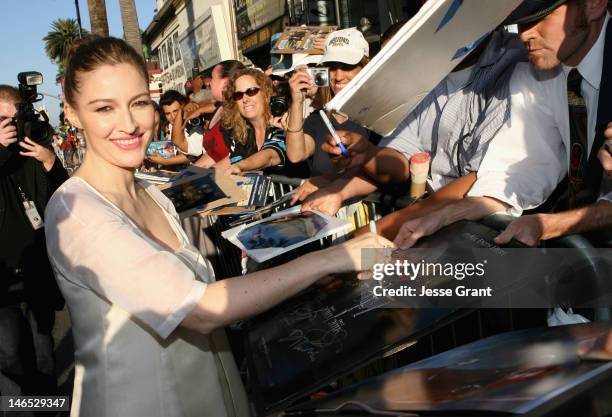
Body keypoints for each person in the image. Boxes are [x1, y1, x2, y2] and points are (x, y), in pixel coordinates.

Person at [45, 35, 393, 417]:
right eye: (103, 108)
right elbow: (201, 308)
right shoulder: (75, 210)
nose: (128, 124)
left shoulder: (152, 194)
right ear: (72, 113)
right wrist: (331, 259)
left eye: (139, 103)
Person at [491, 0, 612, 247]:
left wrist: (550, 225)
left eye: (540, 17)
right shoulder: (545, 67)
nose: (525, 33)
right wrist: (449, 212)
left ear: (594, 5)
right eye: (521, 20)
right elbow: (523, 165)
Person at [0, 85, 67, 398]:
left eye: (13, 118)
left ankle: (48, 408)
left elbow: (66, 197)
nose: (9, 126)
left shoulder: (31, 153)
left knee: (43, 358)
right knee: (10, 360)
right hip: (2, 283)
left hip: (37, 275)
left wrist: (50, 160)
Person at [285, 28, 380, 180]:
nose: (338, 76)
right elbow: (296, 155)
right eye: (332, 67)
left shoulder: (379, 116)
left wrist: (329, 182)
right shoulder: (318, 118)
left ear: (365, 68)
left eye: (347, 66)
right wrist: (296, 102)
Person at [220, 68, 291, 174]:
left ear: (266, 93)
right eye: (238, 95)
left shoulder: (281, 122)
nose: (245, 99)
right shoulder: (241, 133)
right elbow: (230, 162)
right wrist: (197, 176)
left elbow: (270, 156)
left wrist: (241, 166)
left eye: (251, 91)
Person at [192, 60, 246, 168]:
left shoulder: (242, 110)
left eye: (213, 78)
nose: (209, 83)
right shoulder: (221, 108)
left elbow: (241, 154)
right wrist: (186, 175)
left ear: (225, 82)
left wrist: (207, 175)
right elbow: (213, 155)